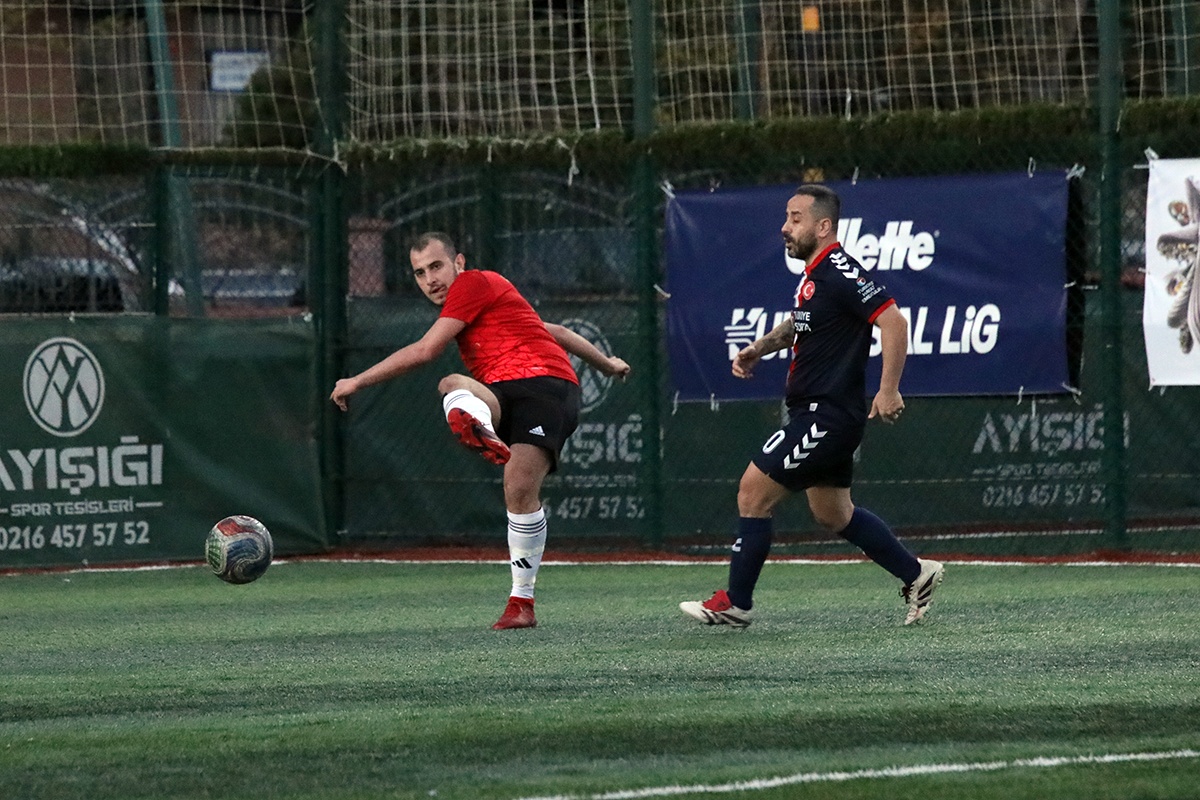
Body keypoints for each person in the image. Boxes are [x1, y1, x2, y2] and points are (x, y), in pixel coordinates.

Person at [331, 231, 631, 630]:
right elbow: (555, 330)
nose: (430, 280)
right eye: (419, 273)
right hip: (503, 392)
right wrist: (607, 364)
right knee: (453, 386)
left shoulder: (474, 282)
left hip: (545, 386)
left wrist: (356, 381)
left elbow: (425, 350)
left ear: (458, 263)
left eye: (436, 266)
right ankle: (478, 424)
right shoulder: (477, 303)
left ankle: (521, 601)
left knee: (515, 481)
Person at [679, 184, 944, 628]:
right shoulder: (816, 276)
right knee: (833, 513)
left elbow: (894, 321)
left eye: (795, 218)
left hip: (827, 416)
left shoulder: (839, 270)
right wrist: (758, 348)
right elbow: (801, 325)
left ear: (823, 227)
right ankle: (917, 573)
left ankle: (736, 603)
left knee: (752, 492)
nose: (785, 227)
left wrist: (889, 389)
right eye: (786, 217)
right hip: (821, 415)